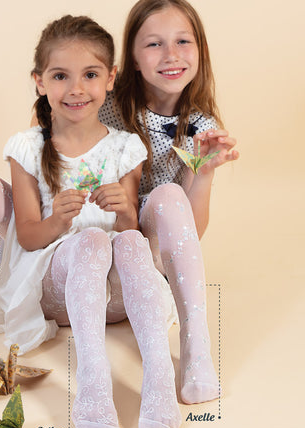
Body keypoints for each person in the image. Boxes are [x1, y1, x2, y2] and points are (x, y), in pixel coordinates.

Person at [0, 14, 181, 428]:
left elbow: (133, 226)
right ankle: (93, 381)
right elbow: (30, 238)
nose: (76, 88)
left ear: (110, 79)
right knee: (92, 239)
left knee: (129, 240)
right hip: (57, 293)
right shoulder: (28, 149)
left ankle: (159, 377)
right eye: (61, 76)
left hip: (121, 299)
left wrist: (126, 212)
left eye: (90, 74)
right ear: (40, 81)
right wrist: (58, 219)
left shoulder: (126, 146)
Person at [98, 0, 239, 405]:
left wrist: (205, 172)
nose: (172, 55)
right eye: (154, 44)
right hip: (104, 242)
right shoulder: (108, 103)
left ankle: (196, 347)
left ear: (200, 50)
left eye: (182, 41)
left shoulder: (200, 127)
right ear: (134, 59)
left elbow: (189, 233)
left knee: (169, 194)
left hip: (153, 255)